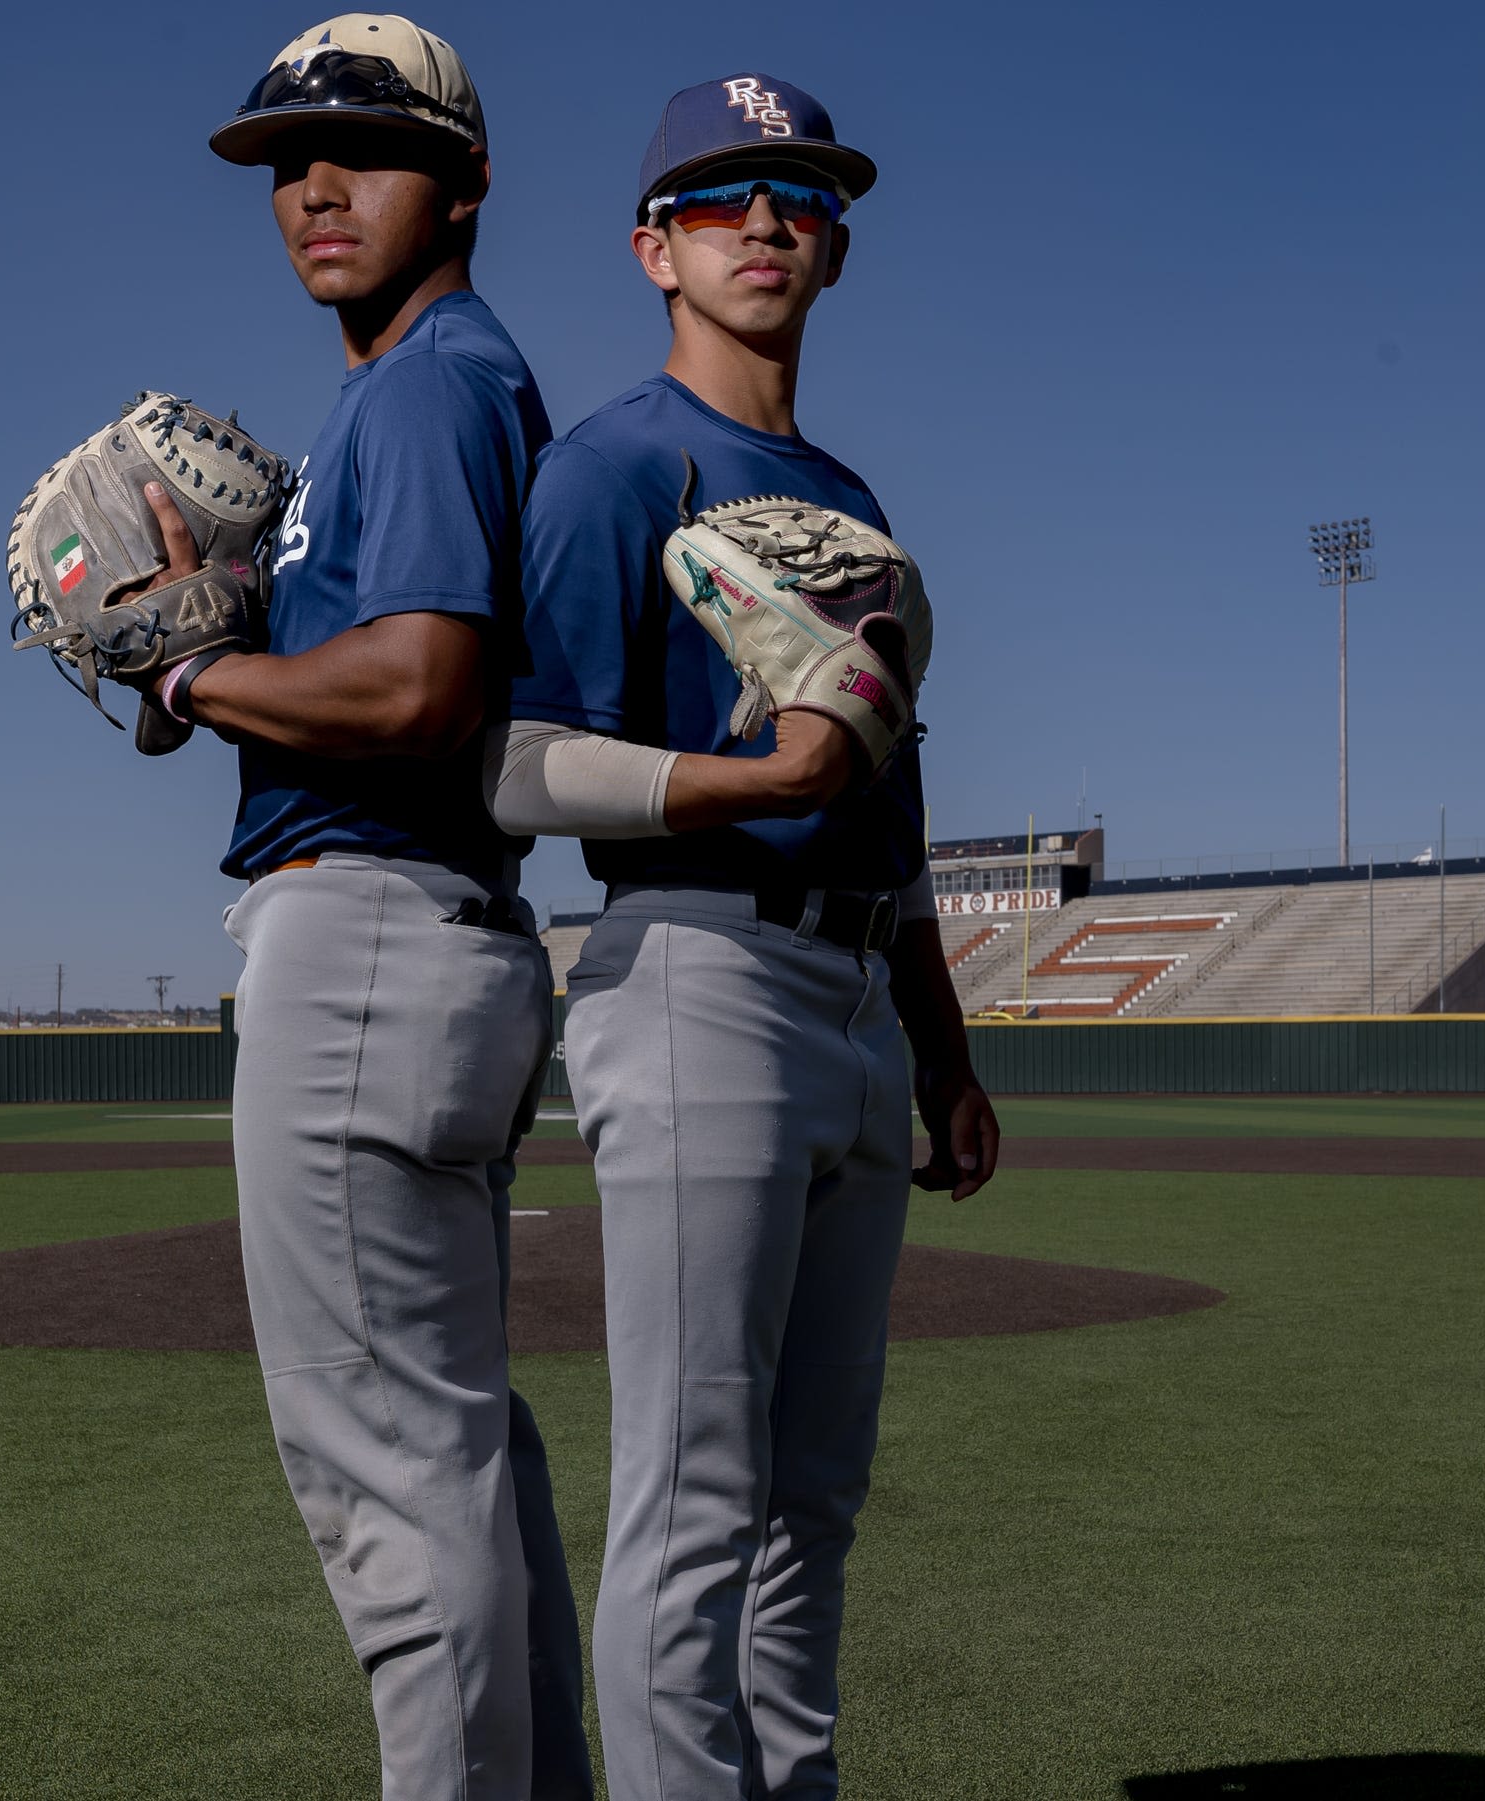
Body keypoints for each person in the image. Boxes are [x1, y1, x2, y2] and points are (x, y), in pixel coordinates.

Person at [489, 73, 1000, 1799]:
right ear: (656, 249)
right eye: (721, 200)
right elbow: (510, 758)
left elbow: (888, 795)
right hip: (697, 964)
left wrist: (943, 1042)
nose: (765, 222)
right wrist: (739, 776)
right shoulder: (614, 464)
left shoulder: (848, 490)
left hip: (857, 987)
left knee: (815, 1499)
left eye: (797, 198)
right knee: (697, 1493)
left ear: (837, 249)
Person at [126, 16, 589, 1799]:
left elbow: (416, 689)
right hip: (427, 935)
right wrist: (217, 654)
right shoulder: (414, 388)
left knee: (392, 1480)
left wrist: (191, 677)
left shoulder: (430, 384)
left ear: (464, 184)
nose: (314, 187)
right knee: (453, 1450)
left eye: (363, 152)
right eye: (283, 163)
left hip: (372, 935)